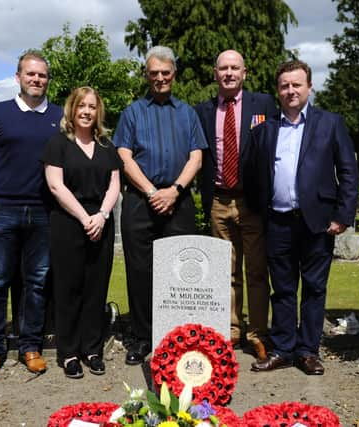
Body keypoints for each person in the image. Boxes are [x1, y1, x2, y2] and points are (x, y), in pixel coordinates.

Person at [245, 60, 359, 375]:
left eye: (297, 84)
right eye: (285, 85)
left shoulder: (330, 123)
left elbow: (348, 171)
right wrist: (261, 212)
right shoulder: (264, 130)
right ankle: (283, 348)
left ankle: (307, 351)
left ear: (309, 87)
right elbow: (253, 175)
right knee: (281, 289)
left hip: (318, 222)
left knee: (313, 288)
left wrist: (343, 215)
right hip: (278, 221)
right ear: (277, 90)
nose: (291, 90)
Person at [0, 49, 62, 379]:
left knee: (37, 283)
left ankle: (30, 346)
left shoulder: (59, 117)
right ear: (18, 77)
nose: (37, 79)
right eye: (31, 74)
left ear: (47, 80)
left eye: (42, 75)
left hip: (43, 213)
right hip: (2, 211)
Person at [113, 45, 207, 365]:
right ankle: (143, 336)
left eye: (166, 73)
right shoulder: (132, 112)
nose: (160, 78)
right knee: (140, 271)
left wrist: (175, 189)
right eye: (154, 73)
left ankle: (177, 336)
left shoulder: (188, 113)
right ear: (146, 75)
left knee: (181, 272)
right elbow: (123, 157)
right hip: (140, 202)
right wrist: (154, 191)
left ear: (174, 75)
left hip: (178, 201)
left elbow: (197, 156)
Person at [195, 50, 277, 360]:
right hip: (218, 200)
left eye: (235, 68)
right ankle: (229, 332)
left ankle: (257, 333)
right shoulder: (202, 110)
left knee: (256, 270)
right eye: (223, 68)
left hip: (251, 201)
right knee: (224, 273)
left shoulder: (264, 105)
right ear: (215, 74)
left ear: (244, 73)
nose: (229, 73)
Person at [42, 87, 121, 379]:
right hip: (68, 223)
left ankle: (92, 350)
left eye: (91, 106)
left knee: (96, 289)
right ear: (72, 110)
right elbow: (55, 186)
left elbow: (115, 184)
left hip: (101, 222)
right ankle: (69, 353)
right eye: (81, 106)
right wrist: (84, 217)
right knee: (68, 290)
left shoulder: (106, 145)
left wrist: (101, 215)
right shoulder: (57, 144)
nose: (86, 111)